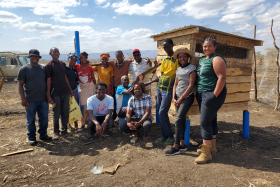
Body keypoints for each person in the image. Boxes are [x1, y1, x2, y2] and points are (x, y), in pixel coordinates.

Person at [195, 35, 227, 164]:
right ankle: (212, 145)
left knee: (204, 122)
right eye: (204, 46)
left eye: (209, 46)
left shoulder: (217, 59)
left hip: (212, 93)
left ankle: (206, 153)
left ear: (214, 47)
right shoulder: (203, 60)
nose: (206, 48)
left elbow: (221, 78)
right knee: (211, 118)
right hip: (202, 92)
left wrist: (214, 96)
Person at [165, 47, 196, 156]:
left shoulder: (192, 68)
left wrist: (180, 98)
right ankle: (182, 144)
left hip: (186, 98)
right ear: (178, 59)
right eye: (180, 57)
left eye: (184, 56)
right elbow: (175, 84)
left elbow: (191, 85)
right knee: (181, 120)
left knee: (178, 120)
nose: (182, 58)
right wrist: (174, 98)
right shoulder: (178, 69)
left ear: (188, 57)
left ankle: (176, 146)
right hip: (177, 97)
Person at [18, 49, 52, 145]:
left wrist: (48, 96)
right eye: (33, 56)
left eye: (37, 56)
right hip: (30, 100)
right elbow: (20, 84)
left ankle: (43, 135)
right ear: (29, 57)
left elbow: (47, 82)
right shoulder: (24, 69)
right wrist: (23, 98)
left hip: (43, 99)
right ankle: (32, 137)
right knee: (31, 120)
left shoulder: (42, 68)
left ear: (39, 58)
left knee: (44, 118)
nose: (35, 58)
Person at [45, 47, 74, 140]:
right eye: (54, 52)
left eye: (57, 52)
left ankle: (64, 130)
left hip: (65, 92)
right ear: (50, 54)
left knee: (65, 111)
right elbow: (48, 81)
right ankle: (56, 132)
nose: (56, 53)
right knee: (56, 113)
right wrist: (48, 95)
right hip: (55, 93)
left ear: (59, 53)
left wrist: (70, 90)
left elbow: (65, 78)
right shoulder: (49, 65)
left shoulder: (62, 64)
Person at [157, 38, 180, 145]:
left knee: (162, 112)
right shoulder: (165, 59)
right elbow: (162, 74)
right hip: (160, 88)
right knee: (160, 113)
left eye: (167, 46)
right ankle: (164, 135)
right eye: (164, 47)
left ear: (172, 45)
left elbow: (179, 75)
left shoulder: (177, 59)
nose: (166, 48)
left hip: (168, 89)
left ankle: (170, 135)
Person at [74, 52, 97, 131]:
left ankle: (90, 122)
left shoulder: (90, 67)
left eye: (85, 57)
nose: (83, 59)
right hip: (82, 88)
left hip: (90, 87)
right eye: (82, 58)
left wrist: (96, 89)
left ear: (86, 58)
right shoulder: (76, 66)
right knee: (83, 105)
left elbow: (93, 78)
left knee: (90, 105)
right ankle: (83, 123)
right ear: (79, 59)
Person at [66, 53, 80, 129]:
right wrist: (70, 91)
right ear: (68, 59)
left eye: (75, 60)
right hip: (68, 92)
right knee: (68, 108)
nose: (73, 61)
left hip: (75, 90)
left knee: (74, 107)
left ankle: (75, 122)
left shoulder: (74, 69)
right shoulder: (65, 69)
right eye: (72, 60)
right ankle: (69, 124)